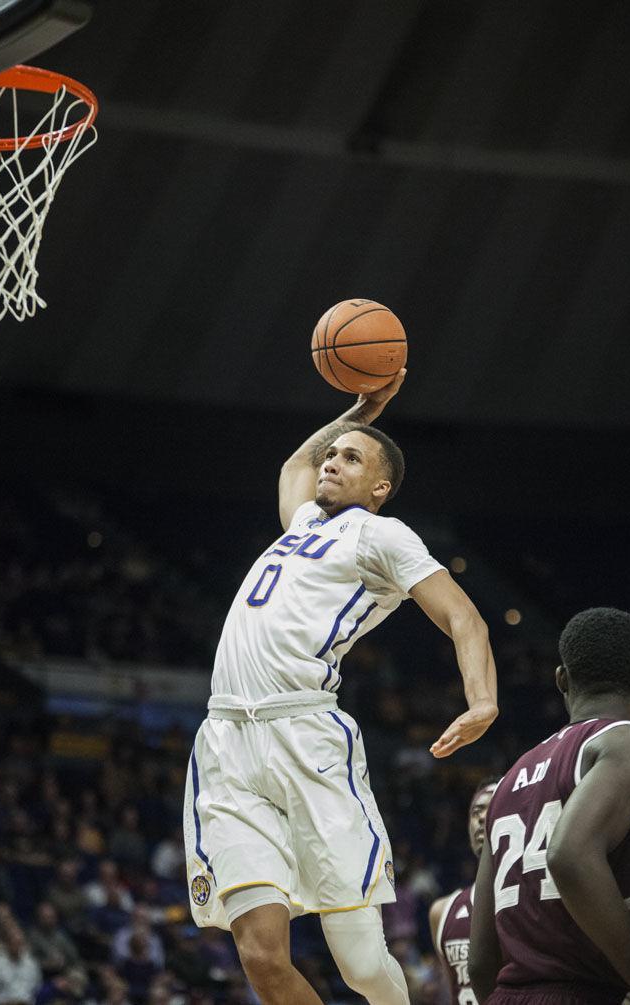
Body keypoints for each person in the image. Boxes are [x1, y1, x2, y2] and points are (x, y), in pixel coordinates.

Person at [185, 370, 498, 1005]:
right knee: (259, 955)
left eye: (350, 457)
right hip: (224, 744)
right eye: (332, 454)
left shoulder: (382, 536)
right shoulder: (299, 523)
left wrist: (483, 699)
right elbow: (296, 462)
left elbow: (463, 616)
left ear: (381, 487)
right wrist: (363, 409)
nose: (331, 460)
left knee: (358, 964)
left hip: (306, 737)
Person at [469, 607, 630, 1005]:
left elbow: (480, 961)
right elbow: (569, 855)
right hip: (590, 991)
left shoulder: (511, 775)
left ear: (561, 678)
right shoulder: (625, 743)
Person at [429, 779, 499, 1005]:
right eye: (476, 811)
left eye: (493, 807)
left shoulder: (536, 900)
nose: (481, 817)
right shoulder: (442, 912)